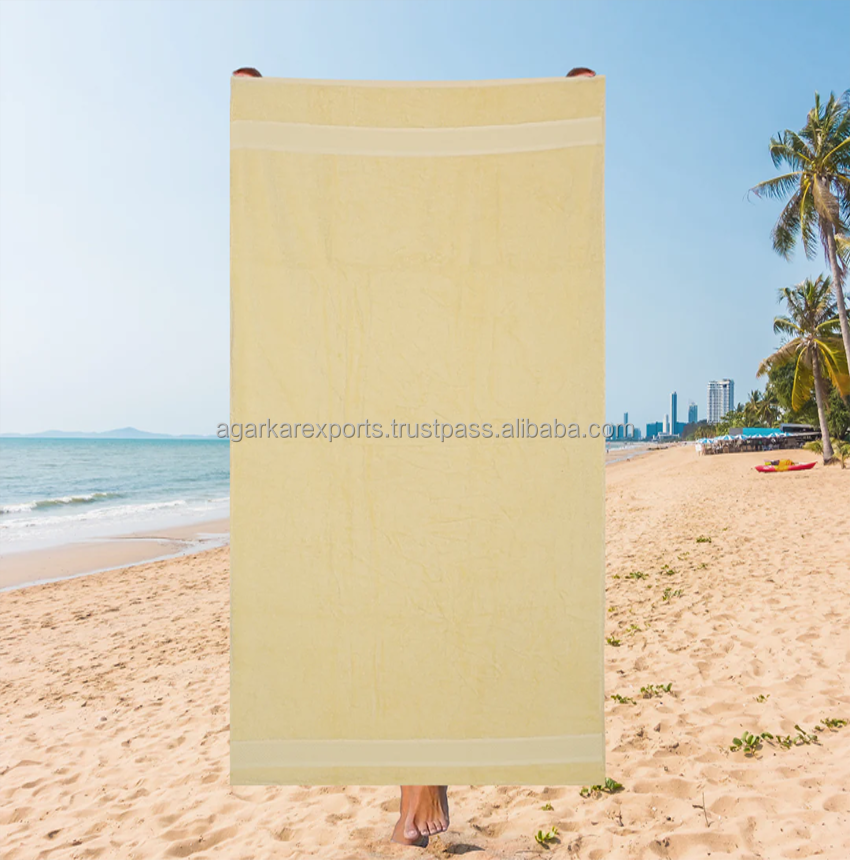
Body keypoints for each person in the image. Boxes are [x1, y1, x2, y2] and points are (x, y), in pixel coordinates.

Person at [229, 63, 594, 848]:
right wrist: (267, 139)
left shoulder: (459, 288)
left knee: (445, 594)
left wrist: (563, 133)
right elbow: (317, 280)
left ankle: (422, 774)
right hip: (377, 435)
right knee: (387, 600)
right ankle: (416, 775)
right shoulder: (366, 290)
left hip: (459, 426)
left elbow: (512, 268)